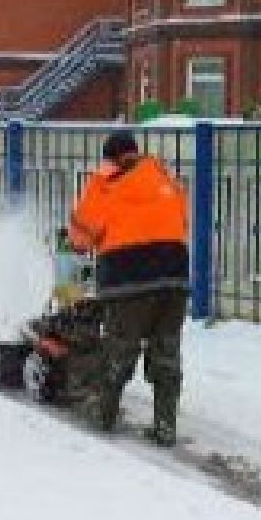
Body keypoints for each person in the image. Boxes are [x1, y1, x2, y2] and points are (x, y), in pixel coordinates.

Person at [67, 130, 191, 446]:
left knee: (120, 349)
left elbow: (81, 237)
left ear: (110, 159)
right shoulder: (166, 179)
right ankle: (165, 425)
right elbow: (182, 222)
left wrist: (78, 243)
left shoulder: (106, 183)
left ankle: (103, 413)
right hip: (174, 280)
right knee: (166, 352)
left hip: (129, 281)